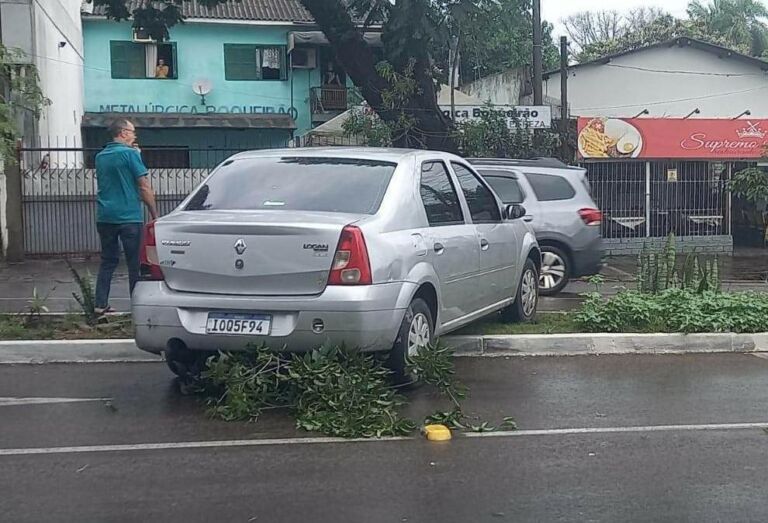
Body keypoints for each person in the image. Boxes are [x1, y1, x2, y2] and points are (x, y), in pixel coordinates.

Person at [94, 119, 158, 315]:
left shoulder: (100, 156)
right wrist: (154, 213)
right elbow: (143, 186)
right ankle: (137, 308)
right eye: (132, 132)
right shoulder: (130, 154)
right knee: (135, 263)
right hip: (129, 216)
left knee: (108, 260)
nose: (134, 135)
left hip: (105, 216)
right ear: (122, 133)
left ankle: (100, 305)